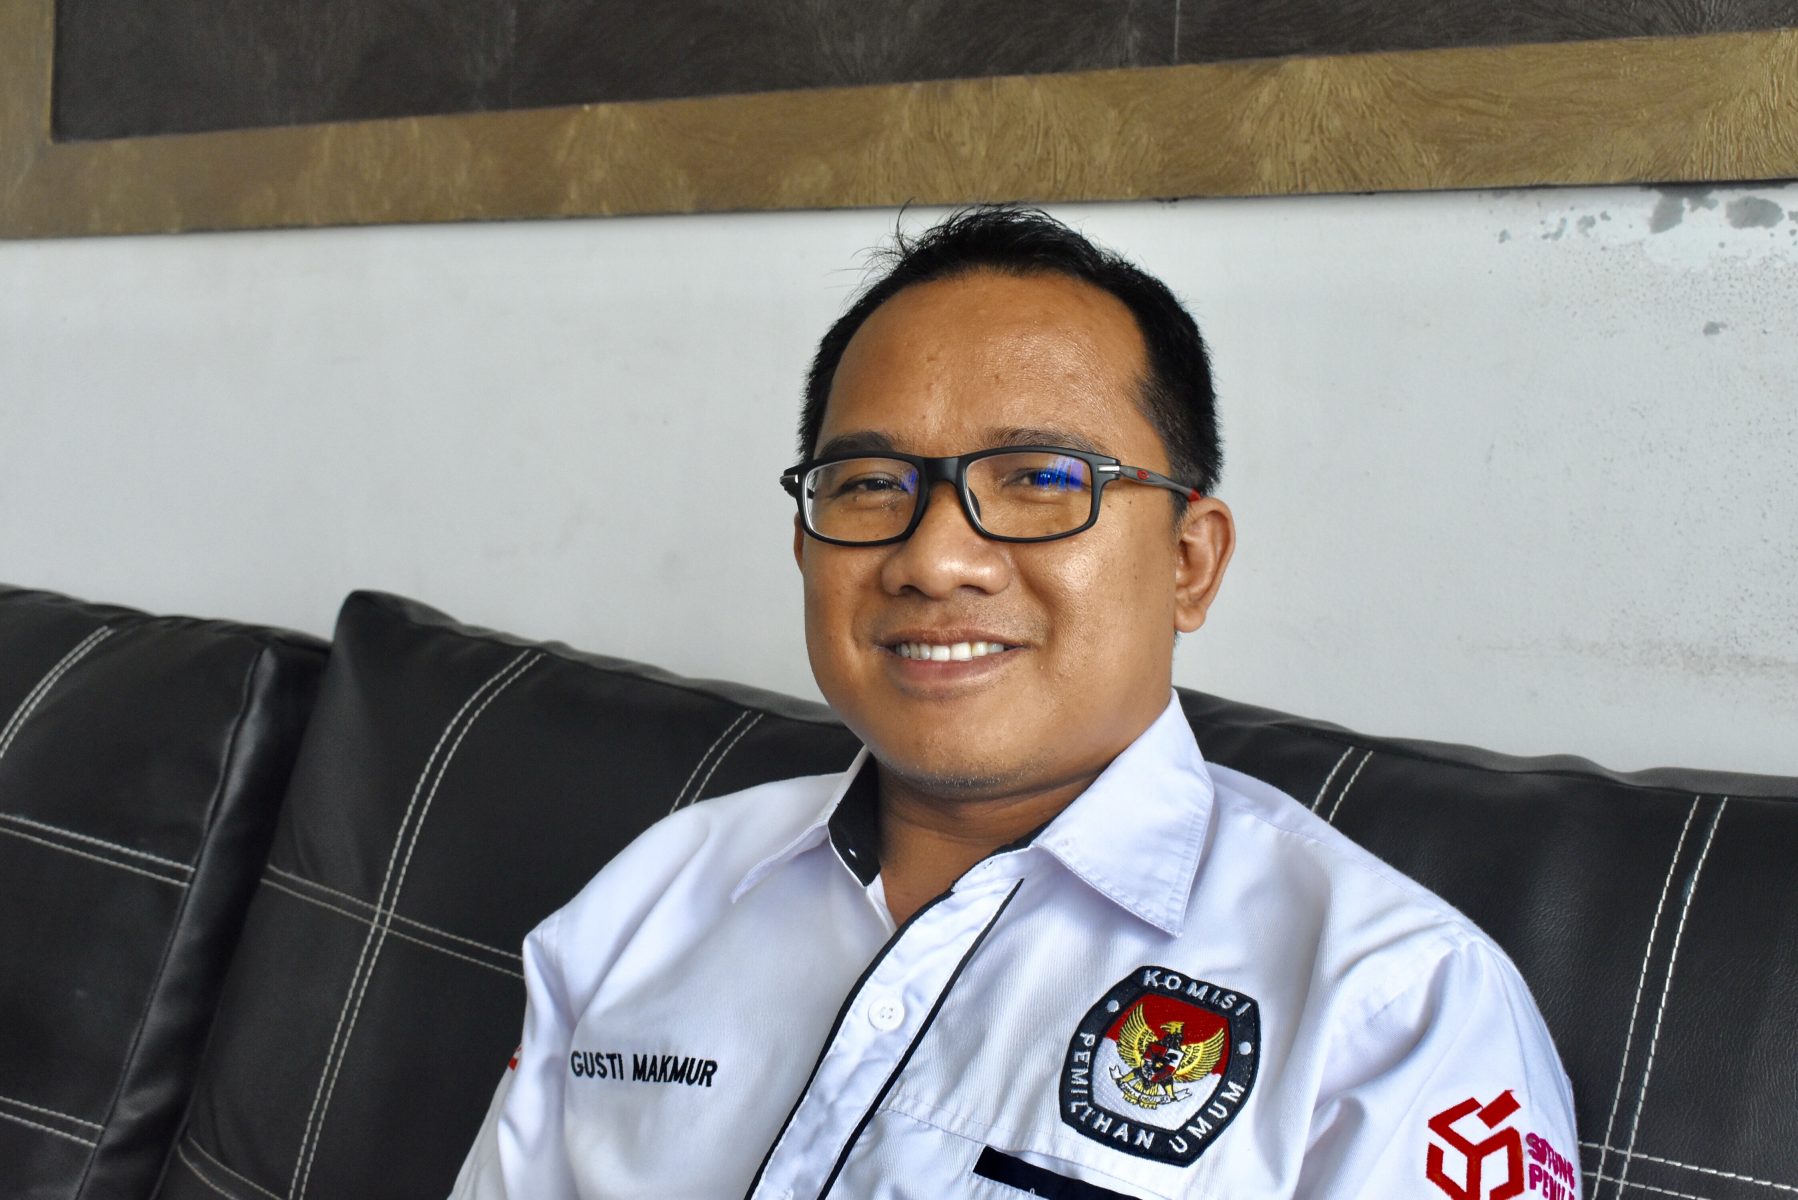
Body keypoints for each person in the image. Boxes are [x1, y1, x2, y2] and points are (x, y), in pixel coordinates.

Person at [449, 207, 1579, 1199]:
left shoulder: (1393, 1007)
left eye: (1040, 478)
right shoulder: (654, 900)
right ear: (804, 547)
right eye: (871, 484)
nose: (934, 558)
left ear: (1188, 561)